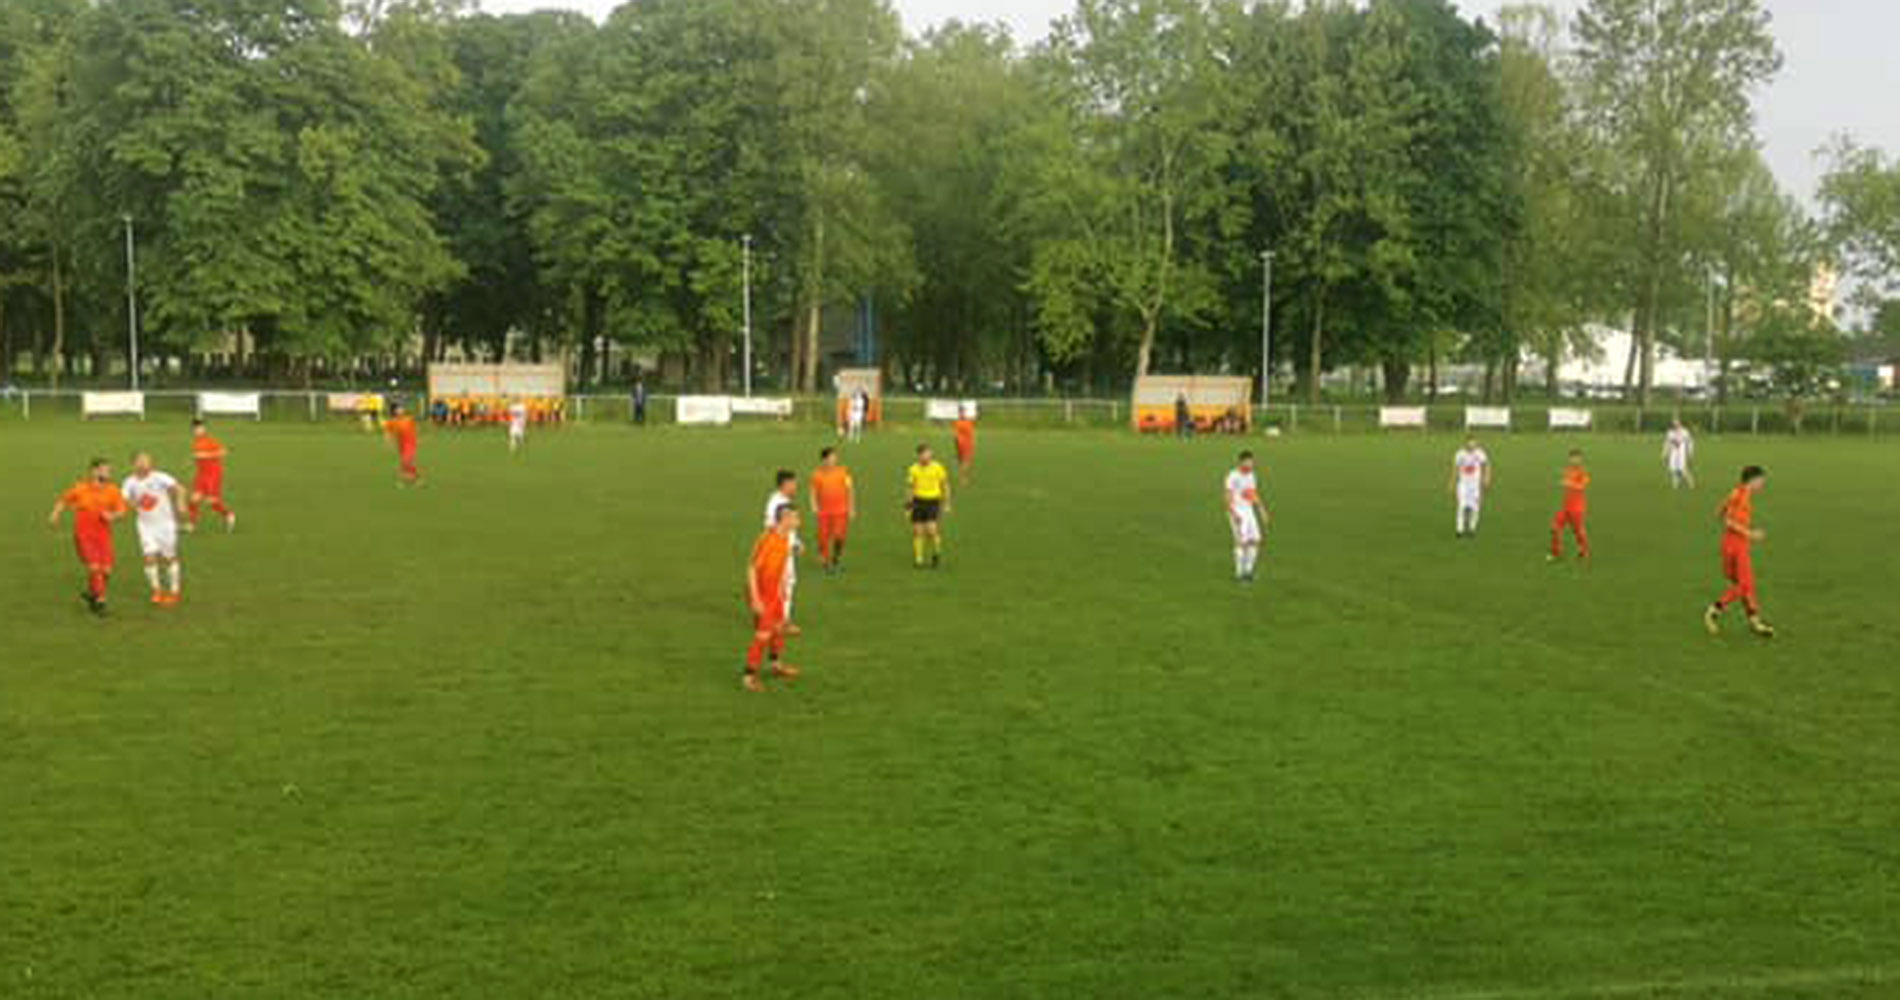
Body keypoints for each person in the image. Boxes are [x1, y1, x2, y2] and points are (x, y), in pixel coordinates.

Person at [48, 457, 129, 615]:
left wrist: (112, 516)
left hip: (104, 536)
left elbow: (122, 511)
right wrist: (55, 514)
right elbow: (63, 500)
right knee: (94, 567)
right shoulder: (81, 488)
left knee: (106, 571)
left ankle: (93, 593)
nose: (108, 473)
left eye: (109, 470)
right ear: (94, 471)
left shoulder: (113, 490)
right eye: (104, 470)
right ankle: (100, 602)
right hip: (84, 535)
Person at [1705, 466, 1775, 637]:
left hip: (1729, 545)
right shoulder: (1742, 496)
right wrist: (1750, 533)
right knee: (1744, 585)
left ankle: (1755, 622)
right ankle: (1713, 611)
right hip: (1737, 546)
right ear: (1753, 480)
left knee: (1747, 585)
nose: (1762, 485)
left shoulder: (1736, 492)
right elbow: (1728, 521)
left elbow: (1720, 512)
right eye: (1761, 481)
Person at [743, 504, 803, 692]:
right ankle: (749, 677)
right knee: (763, 635)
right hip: (763, 595)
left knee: (779, 629)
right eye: (795, 517)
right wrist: (756, 599)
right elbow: (752, 569)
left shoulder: (785, 537)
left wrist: (783, 588)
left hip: (776, 593)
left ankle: (776, 666)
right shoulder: (768, 540)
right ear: (785, 518)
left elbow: (780, 565)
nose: (799, 521)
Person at [121, 452, 186, 605]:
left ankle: (174, 592)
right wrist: (136, 504)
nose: (144, 464)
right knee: (149, 558)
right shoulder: (129, 482)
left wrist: (180, 504)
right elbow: (123, 500)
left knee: (169, 558)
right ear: (134, 464)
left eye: (147, 461)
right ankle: (157, 591)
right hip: (145, 525)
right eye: (141, 461)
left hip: (165, 524)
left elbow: (180, 489)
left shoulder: (160, 477)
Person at [764, 470, 802, 632]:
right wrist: (790, 545)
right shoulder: (778, 503)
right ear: (785, 484)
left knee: (785, 583)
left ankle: (774, 618)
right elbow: (773, 526)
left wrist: (796, 542)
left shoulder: (780, 500)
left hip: (783, 548)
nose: (796, 486)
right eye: (793, 483)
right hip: (780, 550)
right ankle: (781, 621)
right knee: (784, 584)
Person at [1225, 450, 1269, 583]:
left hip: (1249, 510)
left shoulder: (1251, 476)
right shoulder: (1232, 476)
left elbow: (1251, 493)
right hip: (1237, 510)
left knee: (1255, 540)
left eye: (1252, 461)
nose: (1251, 464)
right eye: (1248, 462)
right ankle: (1239, 574)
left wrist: (1261, 509)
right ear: (1241, 462)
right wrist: (1233, 513)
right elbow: (1228, 496)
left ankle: (1248, 571)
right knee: (1241, 542)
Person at [905, 443, 952, 568]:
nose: (926, 456)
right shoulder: (913, 469)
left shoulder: (938, 468)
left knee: (931, 529)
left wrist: (947, 502)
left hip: (933, 501)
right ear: (918, 456)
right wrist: (908, 505)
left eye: (928, 453)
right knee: (917, 531)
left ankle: (936, 552)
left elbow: (945, 485)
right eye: (923, 454)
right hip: (918, 501)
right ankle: (918, 558)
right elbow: (910, 488)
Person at [810, 447, 856, 574]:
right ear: (824, 460)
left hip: (841, 511)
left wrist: (852, 507)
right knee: (823, 538)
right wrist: (814, 505)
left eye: (835, 457)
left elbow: (850, 489)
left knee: (839, 536)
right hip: (824, 512)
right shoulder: (817, 475)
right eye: (831, 457)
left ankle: (836, 558)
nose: (834, 460)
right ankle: (826, 562)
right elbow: (813, 491)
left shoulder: (844, 471)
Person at [188, 419, 237, 532]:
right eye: (195, 429)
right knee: (193, 499)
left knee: (212, 502)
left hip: (213, 474)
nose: (197, 431)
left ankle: (229, 514)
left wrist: (206, 455)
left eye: (199, 428)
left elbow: (223, 452)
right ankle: (191, 524)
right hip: (201, 474)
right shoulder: (196, 442)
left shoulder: (210, 441)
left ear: (204, 429)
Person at [1549, 449, 1591, 562]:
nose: (1574, 460)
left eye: (1577, 458)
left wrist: (1569, 484)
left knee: (1578, 531)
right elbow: (1566, 483)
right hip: (1566, 506)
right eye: (1572, 458)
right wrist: (1566, 483)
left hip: (1577, 508)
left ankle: (1584, 551)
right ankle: (1555, 552)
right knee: (1555, 527)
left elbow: (1582, 486)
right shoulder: (1568, 470)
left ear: (1581, 459)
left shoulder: (1583, 472)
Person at [1450, 436, 1492, 539]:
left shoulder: (1480, 453)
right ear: (1465, 444)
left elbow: (1486, 465)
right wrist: (1452, 482)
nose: (1471, 446)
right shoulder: (1459, 454)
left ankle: (1472, 529)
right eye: (1469, 444)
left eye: (1473, 444)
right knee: (1461, 506)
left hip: (1475, 485)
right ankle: (1459, 530)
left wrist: (1487, 478)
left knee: (1475, 507)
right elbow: (1455, 469)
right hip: (1463, 484)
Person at [385, 403, 422, 485]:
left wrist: (417, 438)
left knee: (407, 459)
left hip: (411, 442)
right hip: (401, 443)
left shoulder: (409, 419)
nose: (401, 410)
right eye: (399, 409)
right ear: (394, 411)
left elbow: (414, 429)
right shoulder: (391, 421)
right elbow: (388, 432)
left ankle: (406, 476)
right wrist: (389, 441)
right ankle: (412, 477)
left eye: (402, 408)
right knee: (408, 461)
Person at [1664, 419, 1696, 489]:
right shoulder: (1670, 433)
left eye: (1677, 425)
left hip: (1682, 453)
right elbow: (1667, 444)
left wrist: (1690, 453)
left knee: (1683, 469)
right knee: (1673, 469)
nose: (1675, 426)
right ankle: (1676, 484)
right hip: (1673, 454)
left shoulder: (1685, 432)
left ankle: (1691, 483)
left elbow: (1690, 443)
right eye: (1674, 425)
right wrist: (1665, 454)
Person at [953, 408, 977, 485]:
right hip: (963, 445)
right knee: (965, 462)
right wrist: (958, 443)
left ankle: (962, 476)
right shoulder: (958, 422)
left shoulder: (969, 421)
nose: (962, 414)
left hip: (968, 444)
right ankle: (963, 478)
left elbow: (971, 432)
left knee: (963, 461)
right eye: (961, 412)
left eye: (963, 412)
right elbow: (956, 434)